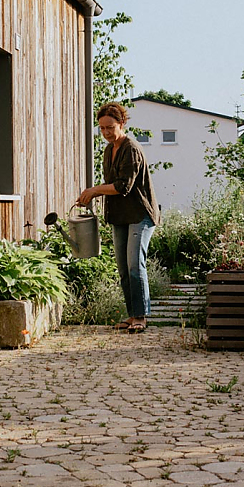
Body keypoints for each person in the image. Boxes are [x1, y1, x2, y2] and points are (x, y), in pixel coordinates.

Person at [77, 102, 160, 332]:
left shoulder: (131, 148)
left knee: (135, 265)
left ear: (121, 123)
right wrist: (91, 195)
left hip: (140, 214)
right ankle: (132, 316)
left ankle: (141, 317)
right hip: (120, 215)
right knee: (123, 268)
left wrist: (94, 190)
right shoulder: (108, 150)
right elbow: (112, 185)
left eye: (110, 127)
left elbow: (124, 186)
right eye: (101, 128)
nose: (105, 133)